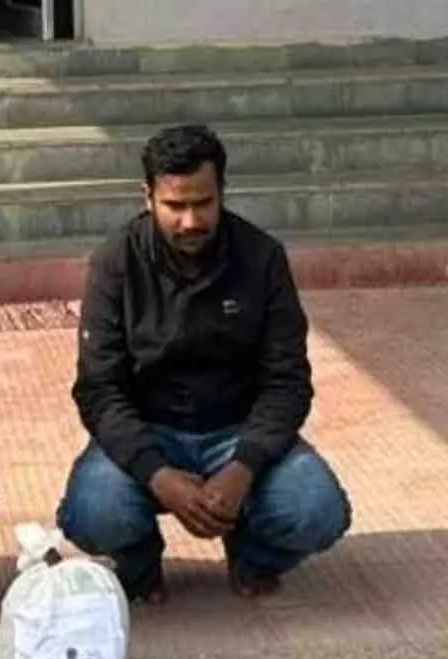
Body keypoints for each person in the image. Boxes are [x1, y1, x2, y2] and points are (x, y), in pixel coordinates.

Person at [57, 124, 352, 604]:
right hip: (148, 429)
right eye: (175, 206)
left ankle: (252, 555)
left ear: (222, 193)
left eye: (203, 203)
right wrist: (157, 473)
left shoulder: (263, 258)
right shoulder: (115, 263)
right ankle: (138, 567)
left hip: (238, 430)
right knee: (94, 514)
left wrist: (244, 467)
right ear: (147, 197)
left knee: (316, 512)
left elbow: (288, 382)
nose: (191, 221)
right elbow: (99, 389)